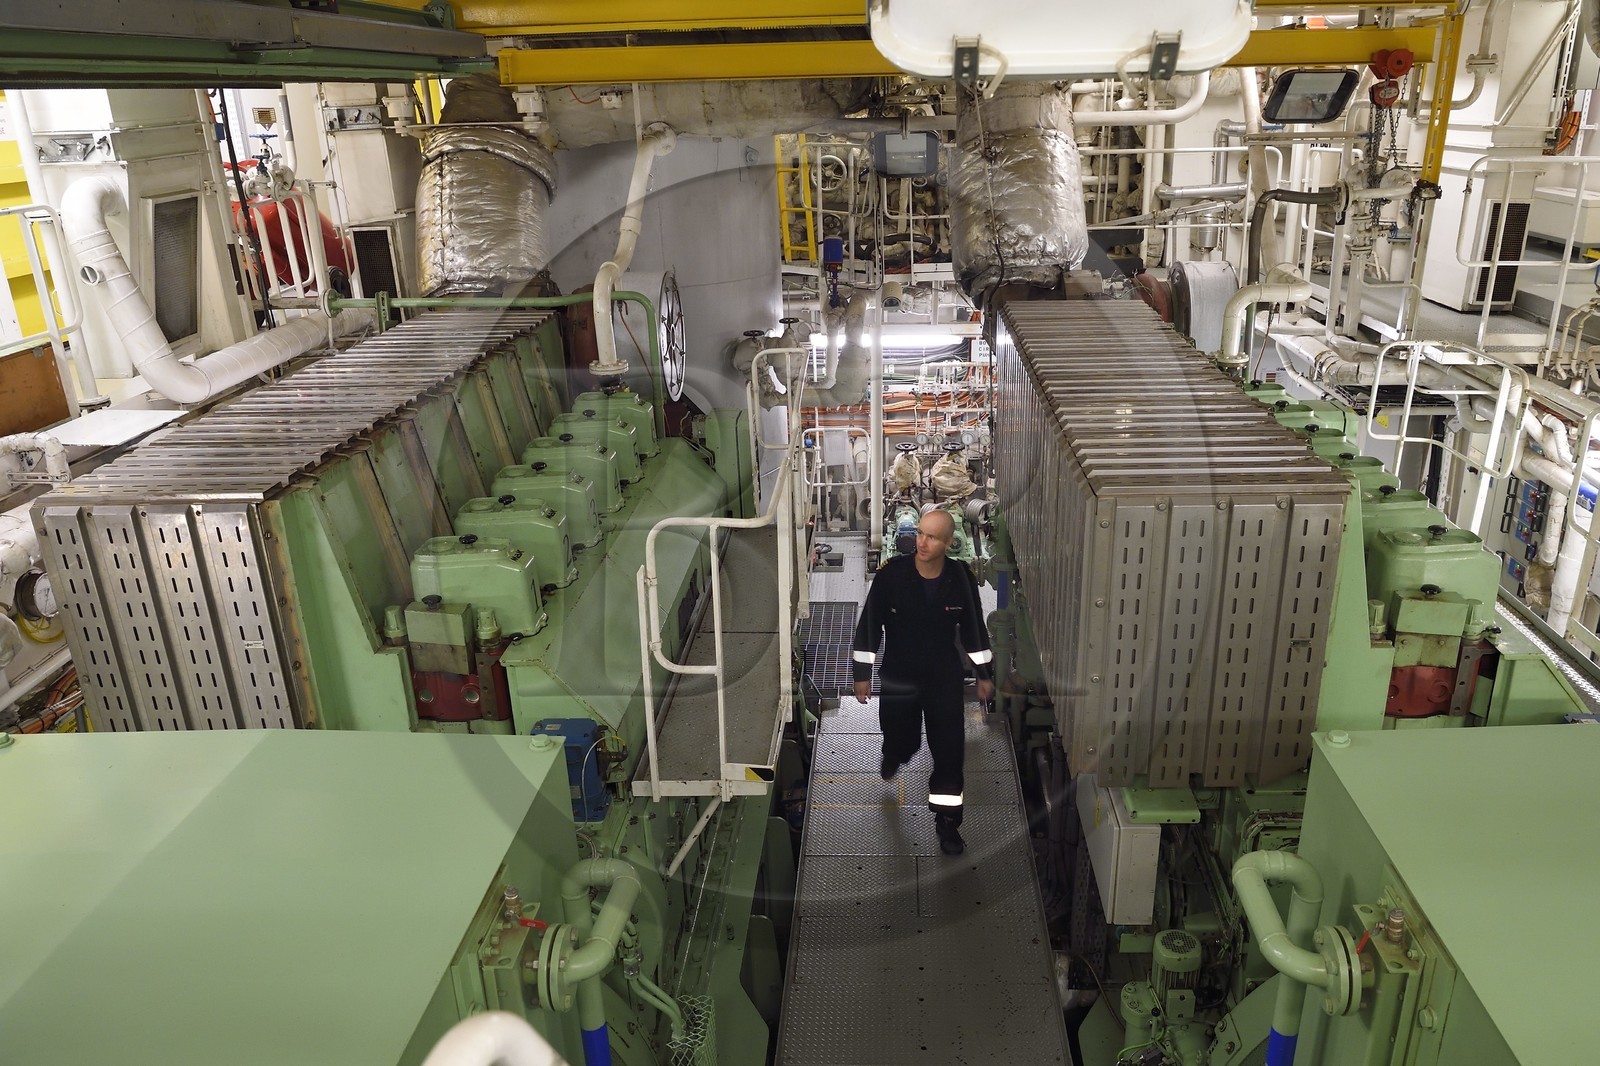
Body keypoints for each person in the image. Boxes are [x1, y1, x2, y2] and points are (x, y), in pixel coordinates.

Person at [851, 508, 994, 855]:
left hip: (943, 678)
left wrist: (984, 675)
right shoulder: (892, 576)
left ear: (948, 542)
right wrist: (861, 676)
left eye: (932, 537)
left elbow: (974, 629)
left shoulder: (959, 578)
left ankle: (947, 822)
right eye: (920, 534)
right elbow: (869, 625)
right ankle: (894, 753)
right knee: (902, 737)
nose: (922, 543)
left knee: (949, 751)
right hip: (900, 676)